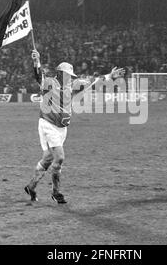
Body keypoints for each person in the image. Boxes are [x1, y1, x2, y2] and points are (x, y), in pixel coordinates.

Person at [24, 49, 124, 204]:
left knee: (48, 158)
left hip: (61, 128)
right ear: (60, 74)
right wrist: (36, 61)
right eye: (68, 75)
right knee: (60, 157)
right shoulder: (50, 83)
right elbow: (39, 76)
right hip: (48, 124)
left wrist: (110, 76)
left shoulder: (73, 85)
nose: (70, 78)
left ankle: (31, 186)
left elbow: (93, 81)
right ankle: (56, 192)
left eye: (71, 76)